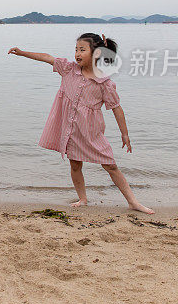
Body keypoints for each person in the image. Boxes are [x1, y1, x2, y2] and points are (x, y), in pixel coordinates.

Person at [8, 33, 154, 214]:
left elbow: (116, 108)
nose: (77, 53)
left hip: (92, 133)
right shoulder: (69, 69)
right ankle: (83, 199)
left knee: (111, 165)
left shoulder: (104, 83)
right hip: (71, 130)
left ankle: (133, 201)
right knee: (75, 165)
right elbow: (47, 57)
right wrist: (22, 53)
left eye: (82, 50)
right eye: (76, 49)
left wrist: (124, 133)